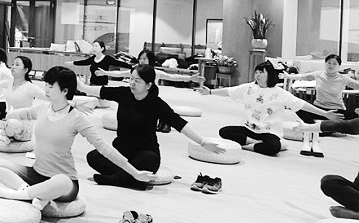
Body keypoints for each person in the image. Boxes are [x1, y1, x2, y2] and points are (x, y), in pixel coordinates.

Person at [0, 66, 156, 210]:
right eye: (46, 85)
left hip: (65, 182)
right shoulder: (42, 109)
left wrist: (134, 172)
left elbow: (104, 147)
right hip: (37, 173)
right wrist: (6, 118)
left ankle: (13, 195)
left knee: (60, 181)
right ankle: (33, 193)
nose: (46, 90)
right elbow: (20, 113)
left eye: (51, 86)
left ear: (65, 91)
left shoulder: (77, 118)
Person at [78, 64, 223, 190]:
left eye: (137, 81)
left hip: (145, 153)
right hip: (121, 150)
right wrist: (76, 83)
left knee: (149, 160)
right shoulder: (123, 93)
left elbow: (179, 123)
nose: (132, 83)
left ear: (148, 85)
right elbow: (90, 90)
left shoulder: (156, 103)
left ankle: (117, 179)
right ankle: (131, 179)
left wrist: (202, 141)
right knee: (93, 157)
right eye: (131, 79)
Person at [199, 61, 341, 157]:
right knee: (224, 131)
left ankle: (247, 145)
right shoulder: (249, 88)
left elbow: (302, 104)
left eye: (261, 72)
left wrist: (325, 114)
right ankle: (255, 144)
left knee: (274, 147)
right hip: (249, 128)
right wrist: (210, 92)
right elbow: (229, 91)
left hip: (269, 131)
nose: (257, 75)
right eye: (256, 72)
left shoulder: (280, 93)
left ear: (269, 74)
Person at [97, 49, 205, 132]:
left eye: (144, 59)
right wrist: (105, 73)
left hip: (150, 101)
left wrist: (190, 78)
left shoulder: (155, 72)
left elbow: (172, 77)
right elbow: (120, 74)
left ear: (150, 60)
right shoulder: (135, 71)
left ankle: (162, 122)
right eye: (140, 58)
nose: (142, 61)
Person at [281, 54, 359, 156]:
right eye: (329, 63)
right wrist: (288, 76)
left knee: (354, 119)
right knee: (299, 106)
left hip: (336, 111)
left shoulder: (343, 78)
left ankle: (319, 127)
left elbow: (357, 85)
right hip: (319, 108)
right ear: (325, 64)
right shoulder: (319, 74)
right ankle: (317, 127)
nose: (331, 65)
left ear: (339, 66)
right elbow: (304, 76)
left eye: (334, 63)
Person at [0, 55, 45, 144]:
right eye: (12, 64)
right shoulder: (8, 83)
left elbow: (49, 98)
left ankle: (4, 133)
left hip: (23, 129)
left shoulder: (30, 87)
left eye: (17, 65)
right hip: (7, 123)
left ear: (25, 70)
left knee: (13, 123)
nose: (13, 67)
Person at [65, 40, 131, 86]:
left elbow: (118, 63)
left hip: (103, 85)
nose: (94, 48)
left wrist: (132, 67)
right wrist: (72, 63)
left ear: (102, 48)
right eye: (93, 46)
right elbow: (84, 62)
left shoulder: (107, 58)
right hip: (92, 84)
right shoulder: (93, 58)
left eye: (96, 46)